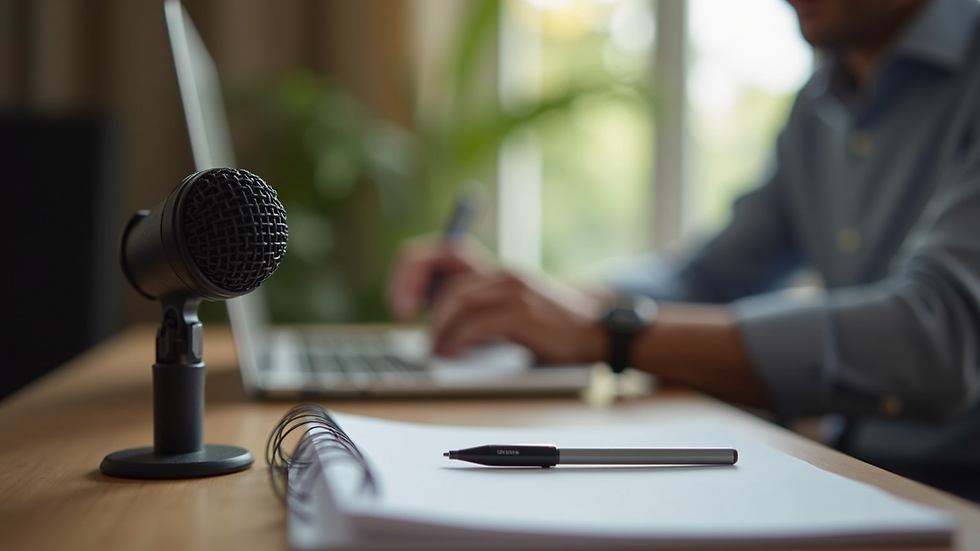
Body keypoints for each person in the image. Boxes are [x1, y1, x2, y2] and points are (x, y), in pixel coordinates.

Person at [387, 0, 980, 500]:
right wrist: (538, 305)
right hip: (860, 476)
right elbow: (709, 275)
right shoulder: (820, 103)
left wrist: (608, 331)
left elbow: (937, 335)